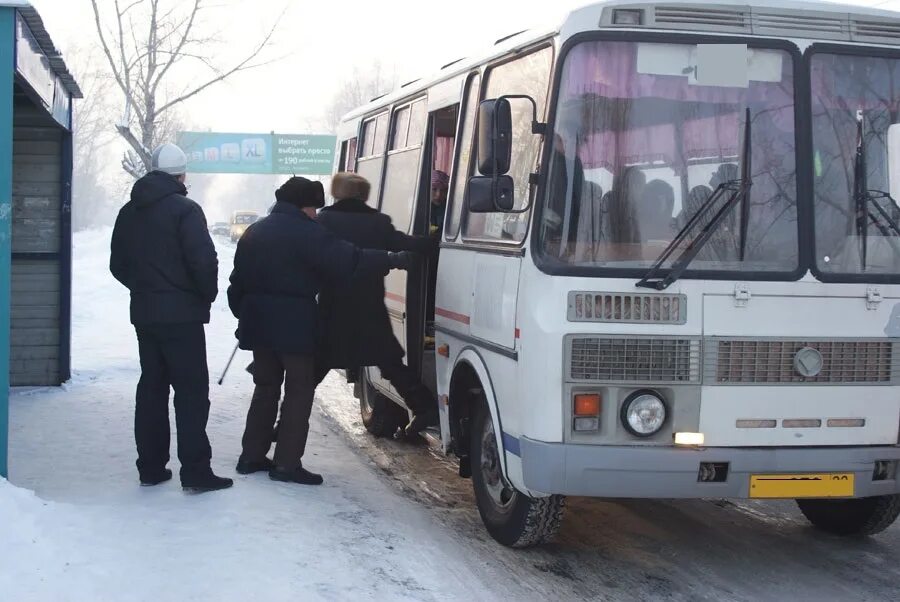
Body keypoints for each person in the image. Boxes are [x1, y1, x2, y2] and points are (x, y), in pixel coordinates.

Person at [228, 176, 410, 485]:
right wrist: (391, 258)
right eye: (313, 207)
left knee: (265, 388)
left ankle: (251, 456)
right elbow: (348, 259)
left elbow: (236, 285)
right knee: (299, 391)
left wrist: (248, 316)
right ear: (303, 206)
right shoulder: (307, 233)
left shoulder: (255, 231)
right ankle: (286, 464)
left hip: (259, 326)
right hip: (294, 327)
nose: (315, 214)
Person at [110, 143, 232, 493]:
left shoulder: (128, 212)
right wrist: (200, 296)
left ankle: (150, 467)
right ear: (182, 175)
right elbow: (204, 262)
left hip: (145, 314)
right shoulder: (186, 210)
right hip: (183, 318)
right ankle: (195, 472)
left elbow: (118, 264)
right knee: (191, 392)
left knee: (152, 388)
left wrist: (144, 289)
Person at [316, 173, 439, 438]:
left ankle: (283, 422)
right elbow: (407, 244)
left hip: (334, 305)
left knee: (316, 365)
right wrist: (436, 241)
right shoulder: (378, 222)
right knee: (389, 361)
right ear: (364, 194)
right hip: (369, 304)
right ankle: (423, 407)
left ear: (337, 193)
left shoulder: (324, 220)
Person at [430, 170, 449, 234]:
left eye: (443, 190)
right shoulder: (418, 207)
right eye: (434, 189)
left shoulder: (451, 208)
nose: (438, 194)